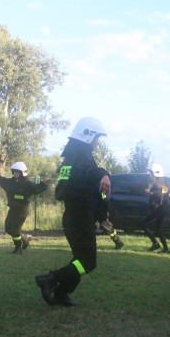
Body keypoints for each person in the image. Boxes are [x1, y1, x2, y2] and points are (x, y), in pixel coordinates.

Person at [35, 117, 111, 306]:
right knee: (88, 263)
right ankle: (51, 279)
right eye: (97, 138)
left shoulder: (70, 160)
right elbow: (92, 181)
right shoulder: (82, 159)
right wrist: (103, 174)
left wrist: (101, 215)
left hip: (73, 216)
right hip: (80, 218)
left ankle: (61, 294)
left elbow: (72, 189)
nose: (97, 142)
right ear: (88, 136)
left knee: (79, 260)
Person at [0, 162, 47, 254]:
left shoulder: (27, 184)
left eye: (17, 172)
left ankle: (18, 247)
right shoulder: (10, 182)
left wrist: (44, 184)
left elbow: (37, 188)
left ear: (22, 172)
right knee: (8, 228)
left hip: (22, 210)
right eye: (14, 172)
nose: (15, 174)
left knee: (15, 229)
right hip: (13, 209)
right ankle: (25, 240)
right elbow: (1, 180)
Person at [144, 163, 170, 253]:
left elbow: (162, 195)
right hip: (159, 209)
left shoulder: (161, 183)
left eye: (151, 173)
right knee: (158, 230)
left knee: (144, 225)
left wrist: (150, 193)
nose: (150, 175)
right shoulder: (160, 181)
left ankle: (156, 244)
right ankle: (164, 248)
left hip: (159, 209)